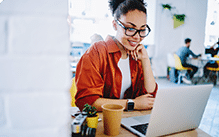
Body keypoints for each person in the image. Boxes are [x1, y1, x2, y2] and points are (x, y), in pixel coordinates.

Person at [75, 0, 158, 111]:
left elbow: (150, 96)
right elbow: (87, 102)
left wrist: (145, 59)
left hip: (129, 119)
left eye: (142, 30)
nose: (137, 37)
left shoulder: (137, 55)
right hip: (104, 121)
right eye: (130, 28)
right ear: (115, 25)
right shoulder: (97, 52)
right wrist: (133, 104)